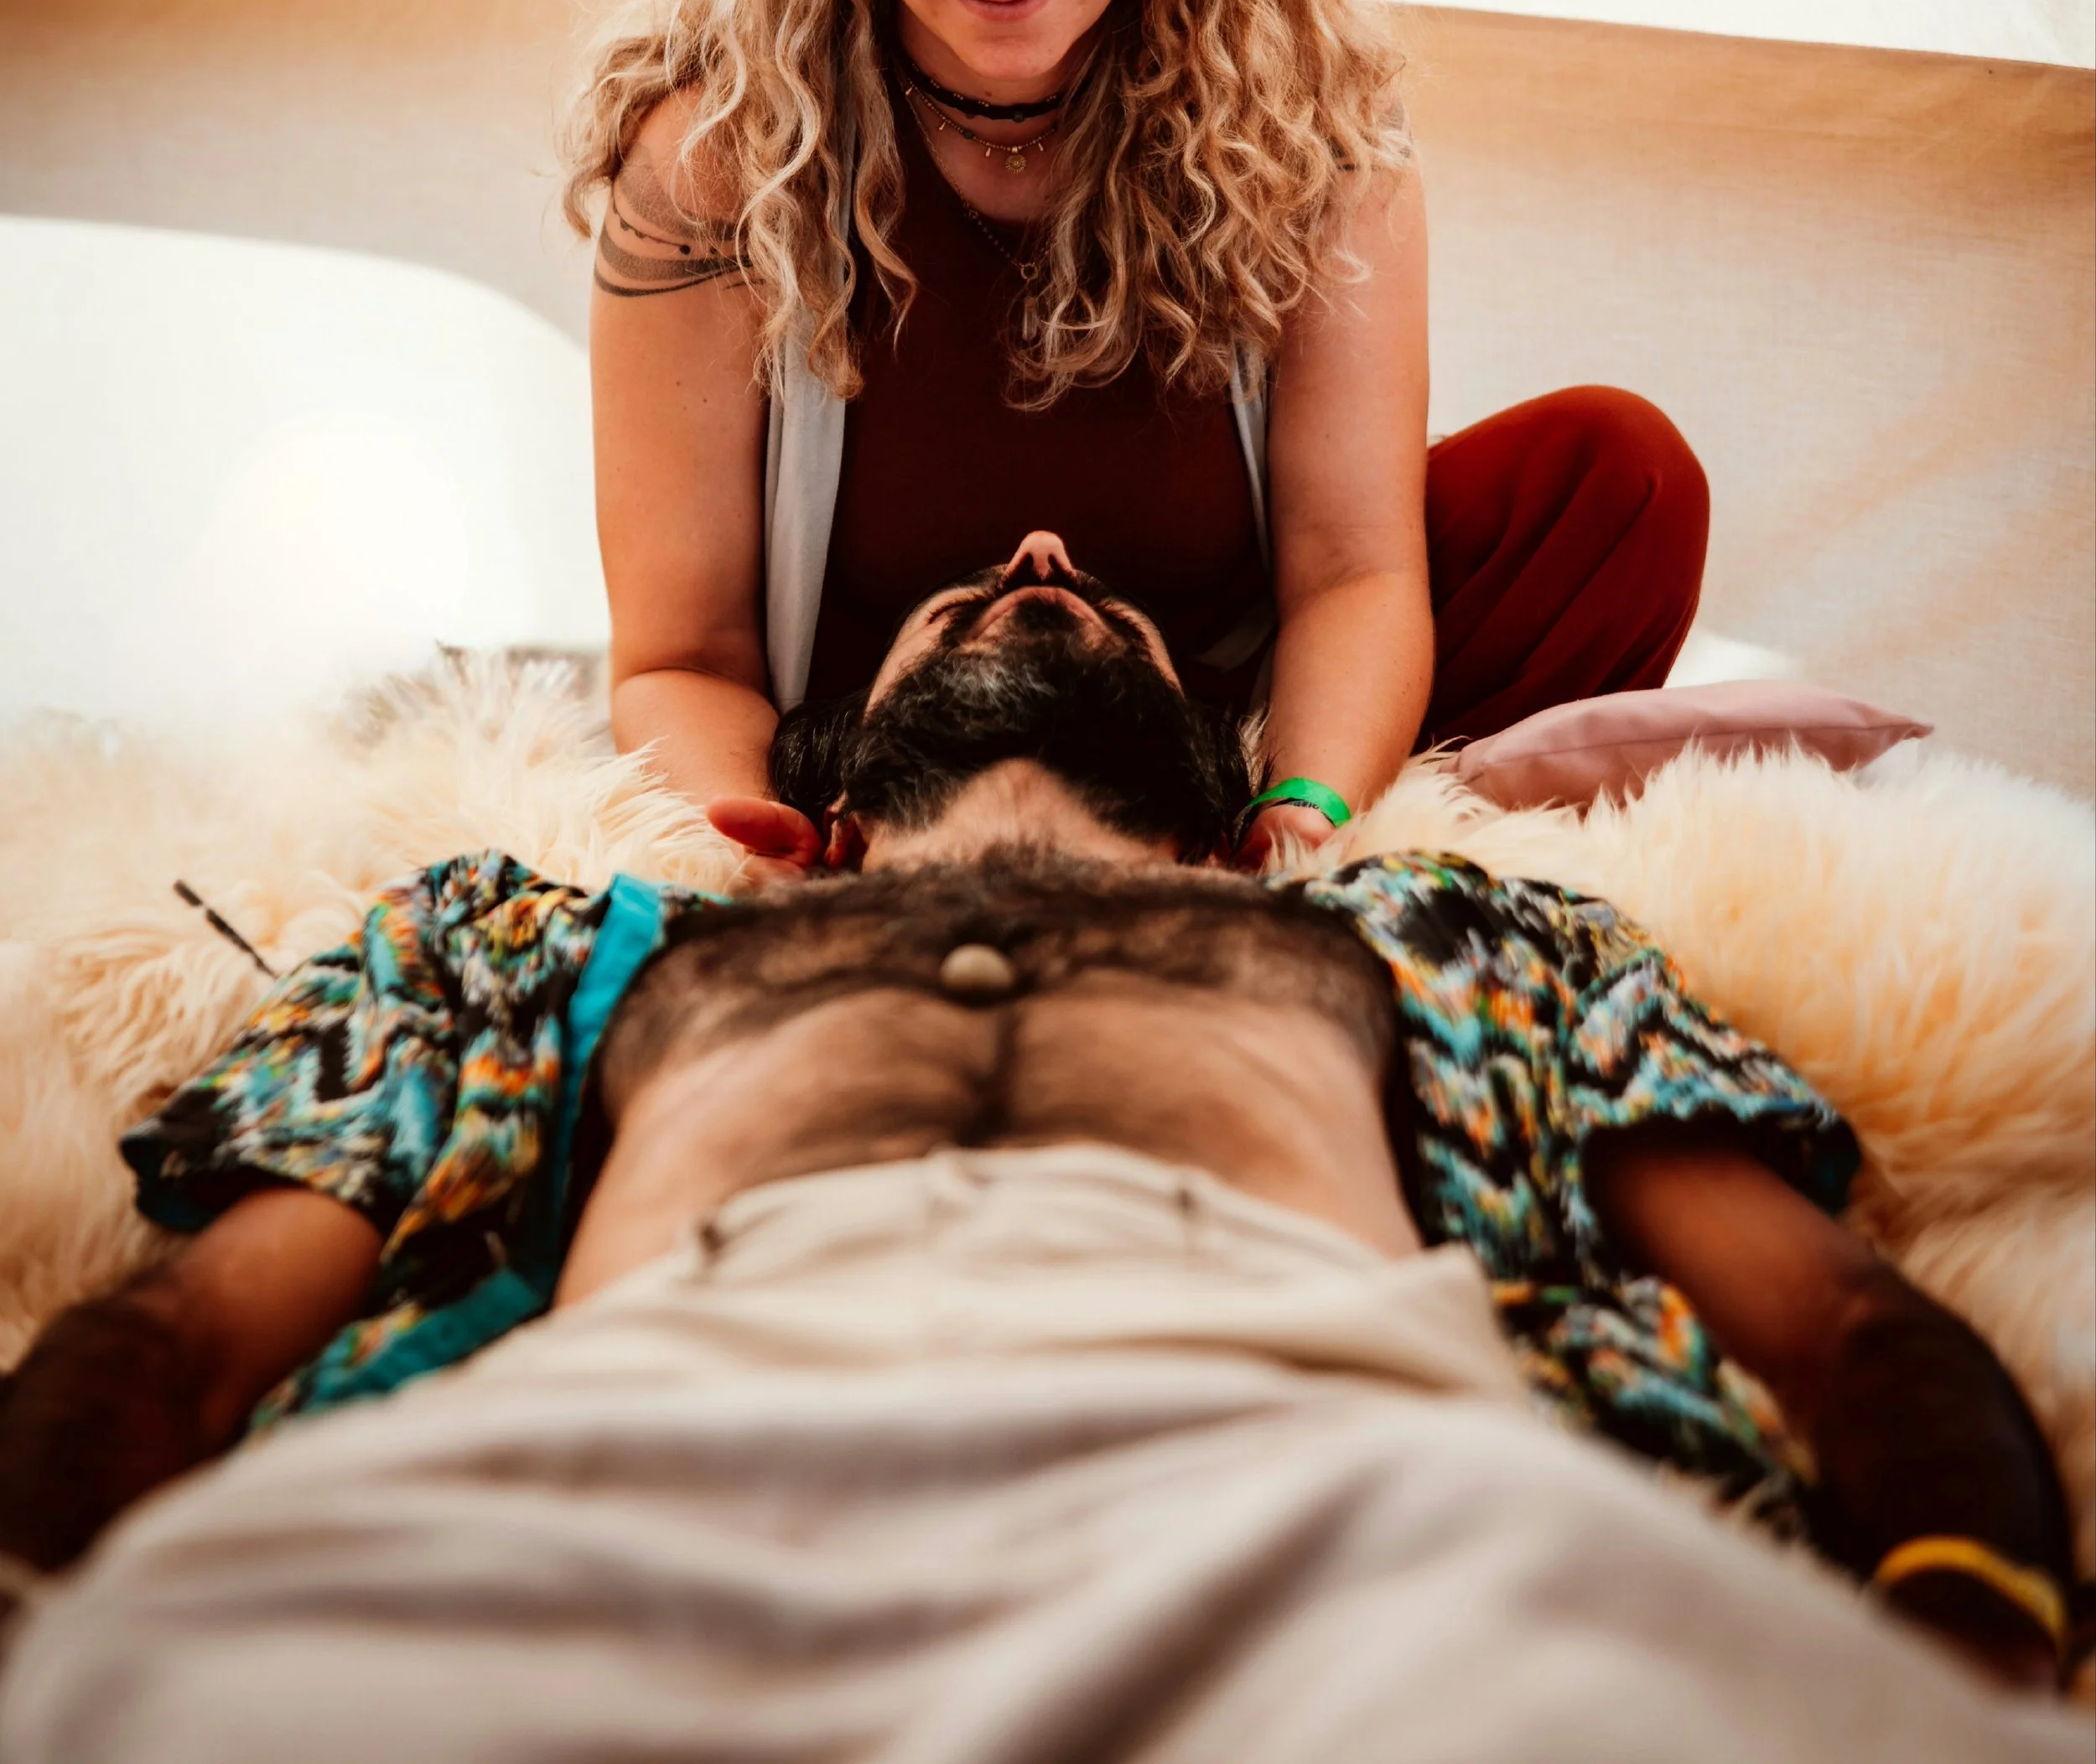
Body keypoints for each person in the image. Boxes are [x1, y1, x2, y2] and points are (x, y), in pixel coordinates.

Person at [0, 538, 2075, 1733]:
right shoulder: (547, 944)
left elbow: (1841, 1326)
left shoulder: (1446, 930)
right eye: (964, 584)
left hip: (1349, 1491)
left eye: (1102, 590)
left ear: (1227, 811)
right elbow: (185, 1335)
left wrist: (1973, 1648)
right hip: (578, 1484)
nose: (1043, 558)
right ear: (816, 809)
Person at [568, 0, 1710, 871]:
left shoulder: (1306, 129)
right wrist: (762, 851)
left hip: (1208, 738)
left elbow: (1355, 571)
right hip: (893, 767)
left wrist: (1305, 818)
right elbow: (682, 656)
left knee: (1616, 484)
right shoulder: (721, 159)